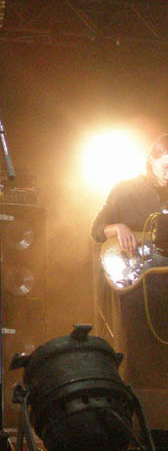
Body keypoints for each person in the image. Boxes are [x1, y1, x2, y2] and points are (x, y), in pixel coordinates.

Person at [91, 134, 168, 387]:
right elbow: (96, 229)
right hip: (138, 286)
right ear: (151, 160)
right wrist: (117, 227)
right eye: (165, 166)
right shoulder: (126, 189)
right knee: (140, 349)